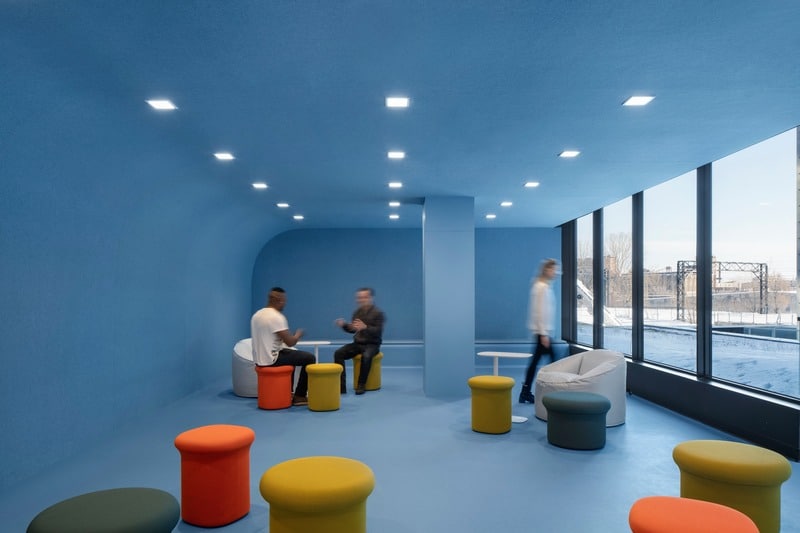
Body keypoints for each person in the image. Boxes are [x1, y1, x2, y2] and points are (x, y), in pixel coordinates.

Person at [251, 287, 315, 406]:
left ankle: (288, 392)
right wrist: (297, 335)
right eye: (284, 300)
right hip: (272, 360)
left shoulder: (256, 315)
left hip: (258, 360)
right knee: (309, 358)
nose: (284, 303)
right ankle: (300, 396)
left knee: (291, 355)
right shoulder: (276, 317)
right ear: (278, 300)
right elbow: (290, 342)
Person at [519, 258, 559, 404]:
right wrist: (543, 334)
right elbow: (539, 312)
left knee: (536, 362)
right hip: (543, 333)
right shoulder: (541, 287)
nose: (555, 272)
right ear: (546, 270)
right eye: (553, 269)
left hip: (543, 332)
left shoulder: (544, 286)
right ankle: (557, 392)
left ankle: (525, 391)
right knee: (553, 362)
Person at [333, 287, 386, 395]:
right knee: (338, 353)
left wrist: (365, 327)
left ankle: (361, 384)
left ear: (371, 298)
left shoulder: (378, 313)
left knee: (366, 356)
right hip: (358, 343)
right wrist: (344, 325)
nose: (361, 300)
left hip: (372, 344)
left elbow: (378, 331)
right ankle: (341, 386)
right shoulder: (357, 312)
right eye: (359, 297)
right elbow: (353, 330)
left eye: (364, 297)